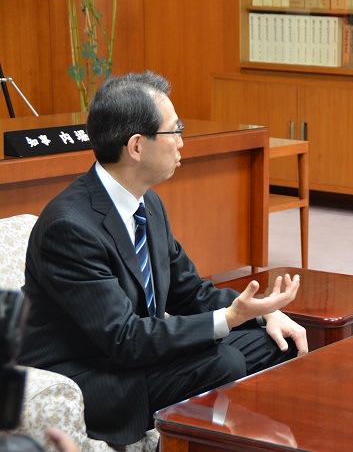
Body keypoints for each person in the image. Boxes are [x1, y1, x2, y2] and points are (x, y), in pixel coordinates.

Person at [17, 71, 308, 446]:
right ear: (137, 146)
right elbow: (123, 338)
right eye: (175, 131)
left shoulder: (146, 203)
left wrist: (262, 311)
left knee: (274, 340)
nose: (182, 143)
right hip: (91, 372)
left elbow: (190, 293)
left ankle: (231, 436)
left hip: (139, 354)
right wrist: (230, 318)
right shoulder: (69, 227)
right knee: (223, 362)